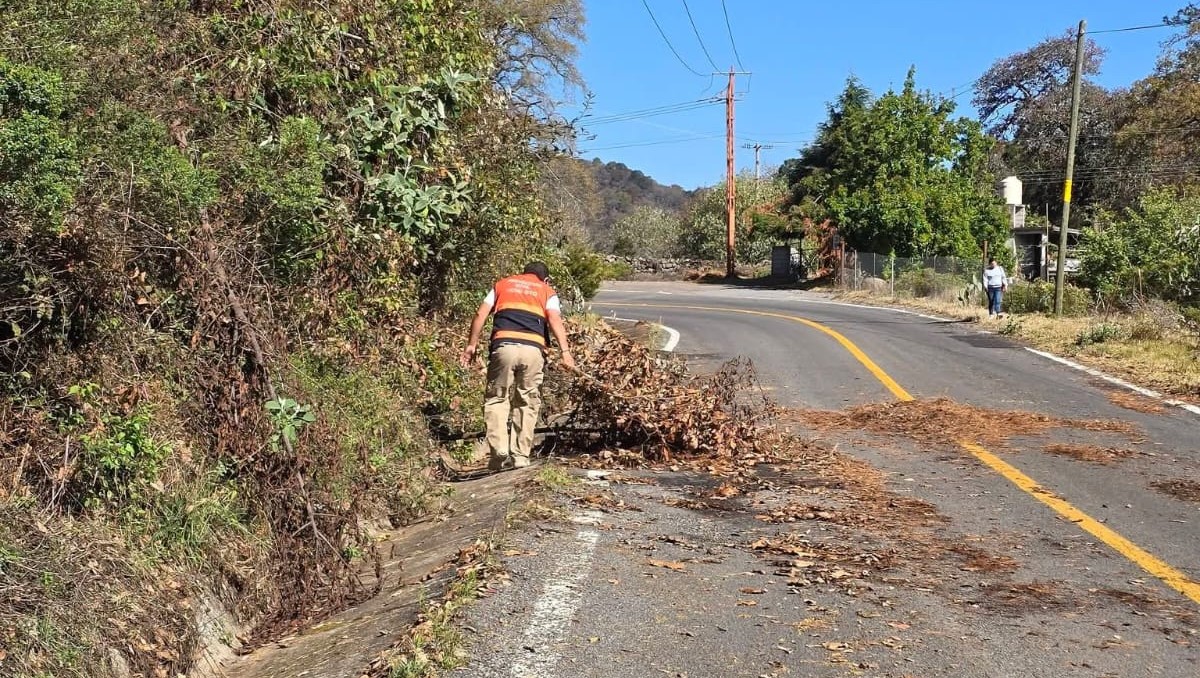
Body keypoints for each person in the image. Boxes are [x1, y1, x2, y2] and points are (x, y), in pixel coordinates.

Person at [459, 262, 576, 470]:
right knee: (527, 401)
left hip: (504, 346)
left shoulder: (503, 285)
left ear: (523, 274)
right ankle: (520, 455)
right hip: (533, 351)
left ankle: (499, 449)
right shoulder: (547, 291)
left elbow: (480, 314)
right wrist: (565, 352)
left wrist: (471, 345)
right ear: (545, 279)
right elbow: (554, 320)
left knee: (496, 398)